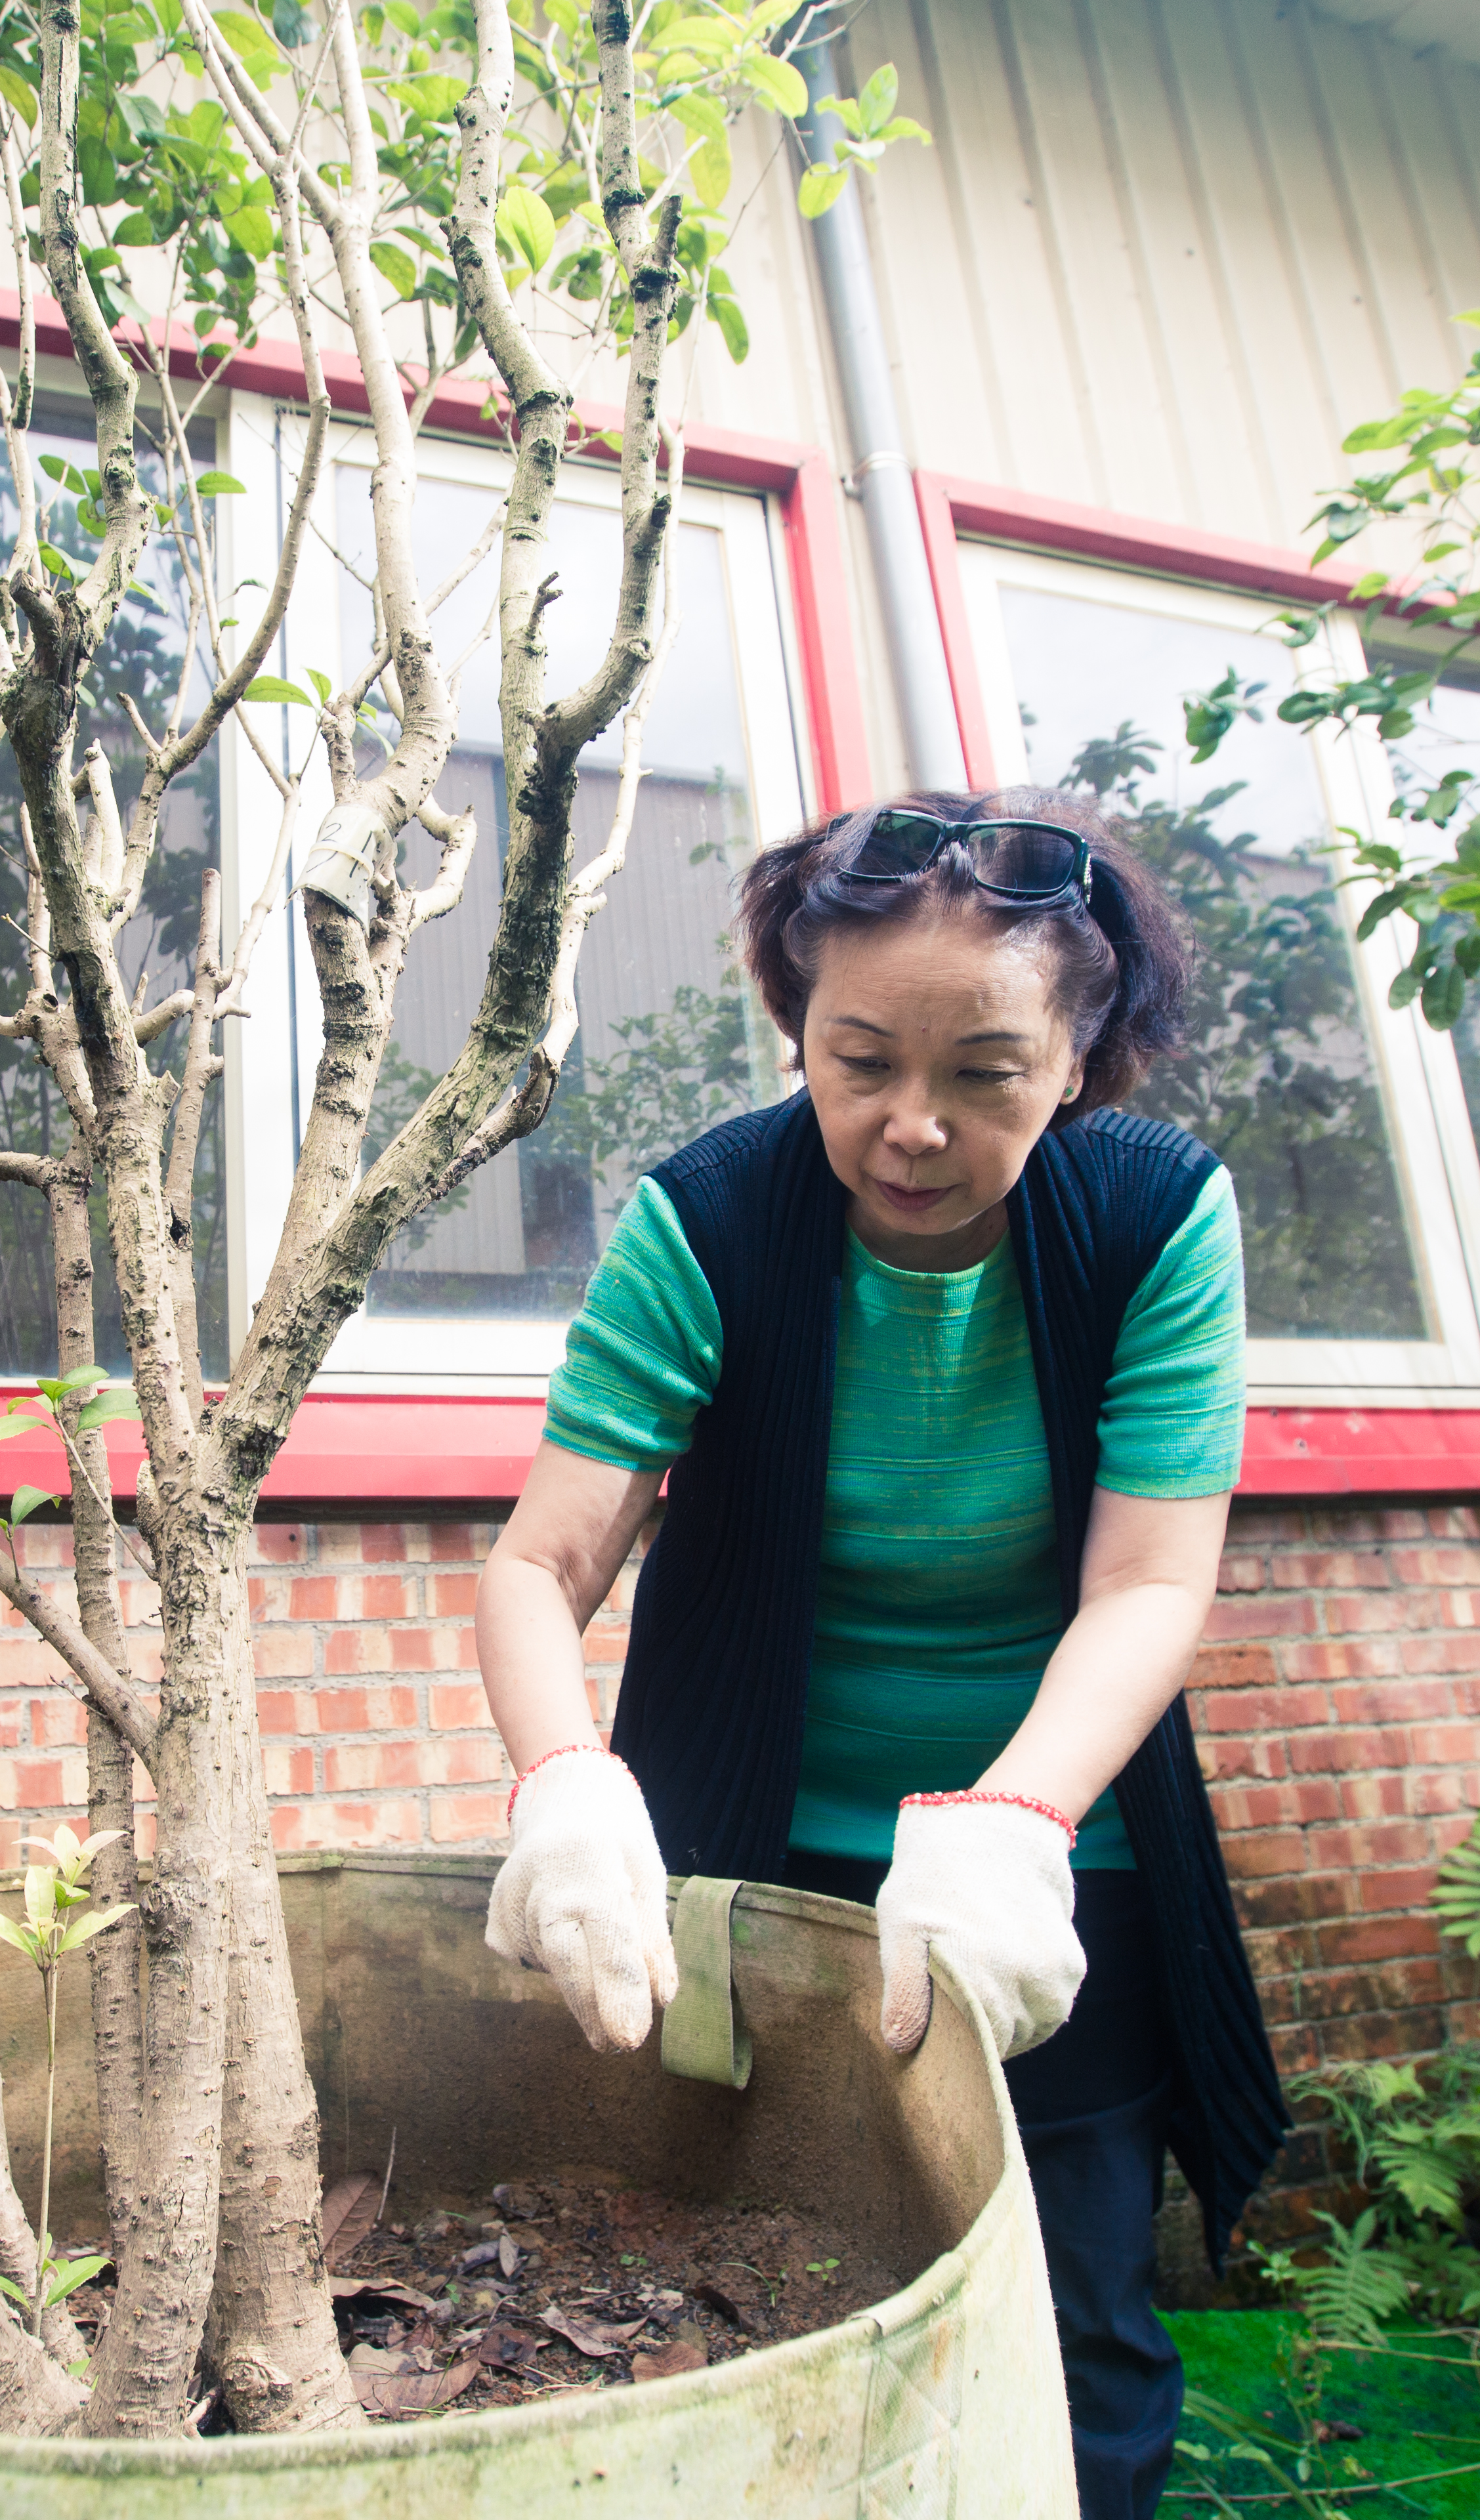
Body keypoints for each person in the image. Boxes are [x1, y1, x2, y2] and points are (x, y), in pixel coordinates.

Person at [472, 788, 1290, 2520]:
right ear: (798, 1030)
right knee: (752, 2283)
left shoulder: (1153, 1221)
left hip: (1052, 1865)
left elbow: (1148, 1584)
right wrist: (564, 1786)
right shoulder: (708, 1220)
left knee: (1072, 2319)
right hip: (759, 1861)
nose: (911, 1127)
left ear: (1080, 1054)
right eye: (859, 1062)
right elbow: (544, 1561)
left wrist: (1017, 1823)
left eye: (984, 1072)